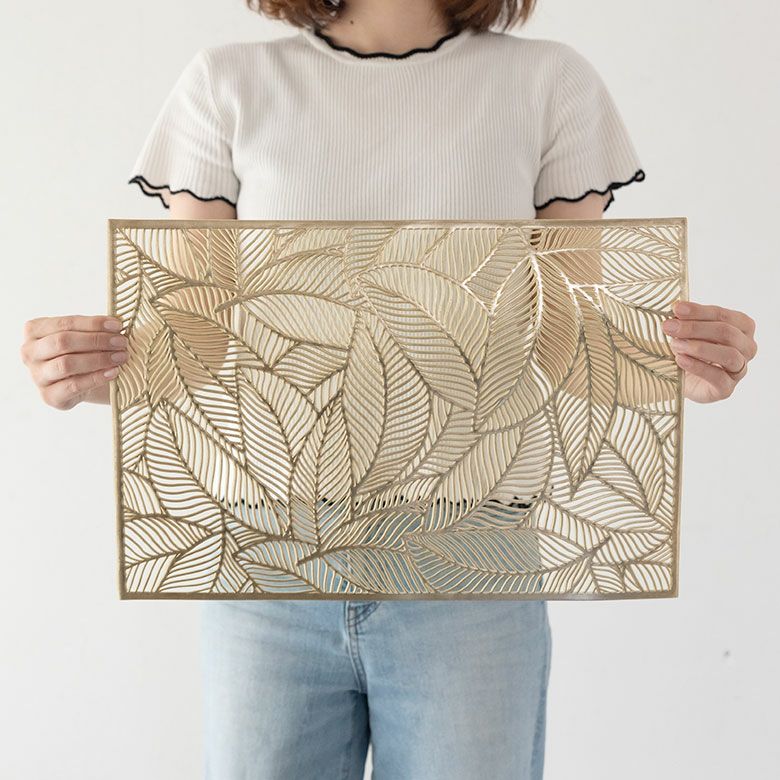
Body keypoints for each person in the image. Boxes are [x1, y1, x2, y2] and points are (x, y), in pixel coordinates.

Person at [19, 0, 758, 777]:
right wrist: (84, 373)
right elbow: (199, 349)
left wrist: (680, 368)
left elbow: (562, 337)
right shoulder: (228, 83)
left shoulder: (549, 82)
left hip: (470, 556)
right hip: (272, 560)